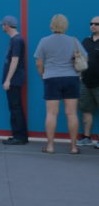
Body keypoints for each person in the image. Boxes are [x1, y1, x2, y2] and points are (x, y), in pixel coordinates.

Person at [34, 14, 87, 154]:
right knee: (71, 113)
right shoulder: (73, 41)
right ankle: (74, 147)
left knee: (51, 113)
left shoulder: (44, 41)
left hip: (51, 78)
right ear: (66, 25)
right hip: (71, 78)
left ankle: (50, 146)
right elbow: (85, 57)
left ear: (52, 25)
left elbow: (39, 62)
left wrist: (43, 75)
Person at [0, 15, 29, 145]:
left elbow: (15, 60)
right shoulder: (15, 39)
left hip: (14, 80)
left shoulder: (17, 40)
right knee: (14, 107)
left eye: (3, 24)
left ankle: (20, 137)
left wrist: (8, 80)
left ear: (7, 25)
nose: (2, 27)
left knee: (15, 107)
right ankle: (17, 134)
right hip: (14, 79)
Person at [78, 16, 99, 148]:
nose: (93, 26)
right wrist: (79, 75)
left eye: (96, 24)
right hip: (85, 83)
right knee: (86, 110)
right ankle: (86, 137)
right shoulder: (86, 41)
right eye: (91, 23)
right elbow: (79, 58)